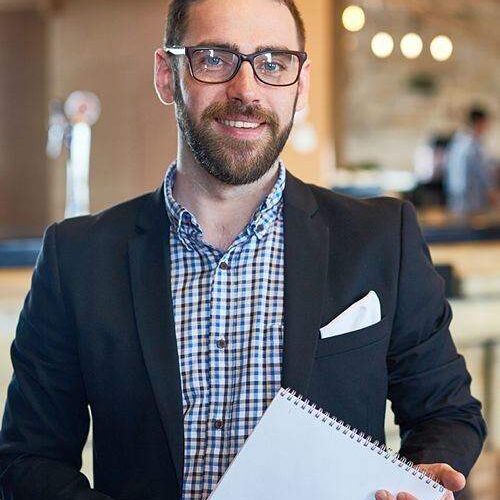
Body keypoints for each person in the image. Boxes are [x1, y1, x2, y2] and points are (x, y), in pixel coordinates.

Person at [0, 1, 486, 499]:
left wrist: (417, 481)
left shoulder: (382, 238)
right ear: (167, 75)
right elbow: (28, 457)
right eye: (214, 58)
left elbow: (445, 412)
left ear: (301, 86)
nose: (246, 90)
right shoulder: (77, 258)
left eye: (273, 63)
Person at [445, 106, 495, 215]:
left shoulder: (458, 141)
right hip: (471, 198)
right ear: (480, 122)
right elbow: (482, 173)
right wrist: (492, 192)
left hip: (455, 194)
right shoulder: (474, 144)